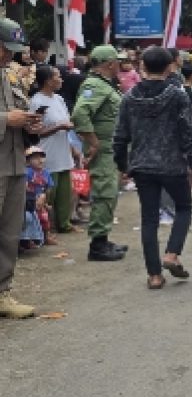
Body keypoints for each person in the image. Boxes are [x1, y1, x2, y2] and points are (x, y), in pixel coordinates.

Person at [114, 46, 192, 290]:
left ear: (142, 67)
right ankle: (172, 254)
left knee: (149, 218)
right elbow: (188, 134)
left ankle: (154, 275)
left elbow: (120, 136)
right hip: (172, 164)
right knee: (184, 207)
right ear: (170, 67)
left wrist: (123, 165)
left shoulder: (129, 97)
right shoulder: (178, 96)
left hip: (142, 165)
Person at [0, 18, 43, 317]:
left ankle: (3, 292)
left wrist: (29, 122)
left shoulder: (7, 76)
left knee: (9, 232)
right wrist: (5, 120)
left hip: (13, 161)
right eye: (4, 48)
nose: (8, 56)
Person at [72, 44, 127, 262]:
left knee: (110, 193)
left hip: (110, 149)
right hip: (103, 149)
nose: (120, 66)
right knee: (104, 193)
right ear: (110, 64)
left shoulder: (105, 85)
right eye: (117, 62)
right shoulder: (95, 85)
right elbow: (79, 114)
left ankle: (103, 239)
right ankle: (97, 245)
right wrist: (93, 142)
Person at [28, 64, 79, 234]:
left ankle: (64, 224)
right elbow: (35, 132)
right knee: (48, 193)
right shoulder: (36, 102)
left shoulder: (59, 99)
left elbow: (65, 124)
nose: (61, 79)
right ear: (48, 81)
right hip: (47, 153)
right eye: (58, 76)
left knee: (66, 192)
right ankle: (45, 229)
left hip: (63, 151)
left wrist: (72, 148)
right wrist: (58, 127)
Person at [22, 145, 55, 248]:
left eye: (41, 157)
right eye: (36, 158)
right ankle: (28, 240)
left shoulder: (46, 173)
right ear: (27, 161)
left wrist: (46, 201)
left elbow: (48, 188)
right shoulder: (27, 172)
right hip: (30, 201)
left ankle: (46, 237)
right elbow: (24, 187)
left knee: (45, 219)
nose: (40, 160)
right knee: (30, 220)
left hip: (41, 199)